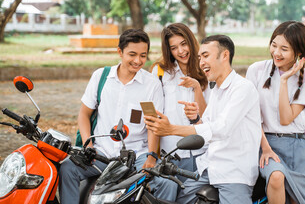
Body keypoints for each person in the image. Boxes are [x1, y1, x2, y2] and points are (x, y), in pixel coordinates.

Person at [59, 29, 177, 203]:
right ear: (120, 52)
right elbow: (84, 114)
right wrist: (88, 145)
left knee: (167, 184)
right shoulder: (101, 77)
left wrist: (151, 157)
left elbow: (153, 124)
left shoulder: (150, 85)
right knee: (68, 169)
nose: (138, 61)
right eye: (132, 54)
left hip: (137, 155)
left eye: (143, 55)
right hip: (100, 153)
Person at [144, 35, 262, 204]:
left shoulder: (242, 88)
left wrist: (171, 129)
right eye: (200, 57)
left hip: (233, 173)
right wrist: (195, 119)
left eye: (205, 56)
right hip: (208, 168)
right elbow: (206, 126)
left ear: (225, 56)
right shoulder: (216, 90)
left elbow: (221, 129)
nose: (201, 62)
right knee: (178, 199)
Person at [246, 21, 305, 204]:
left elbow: (286, 119)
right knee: (276, 177)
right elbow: (251, 116)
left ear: (298, 52)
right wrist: (265, 148)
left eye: (284, 49)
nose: (276, 53)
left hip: (298, 147)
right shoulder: (256, 70)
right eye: (274, 45)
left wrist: (285, 80)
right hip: (267, 142)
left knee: (296, 201)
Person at [151, 23, 209, 181]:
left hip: (201, 152)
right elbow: (153, 113)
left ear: (191, 42)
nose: (181, 51)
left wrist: (197, 88)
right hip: (172, 150)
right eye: (174, 47)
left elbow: (208, 117)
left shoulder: (206, 68)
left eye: (184, 44)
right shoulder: (160, 72)